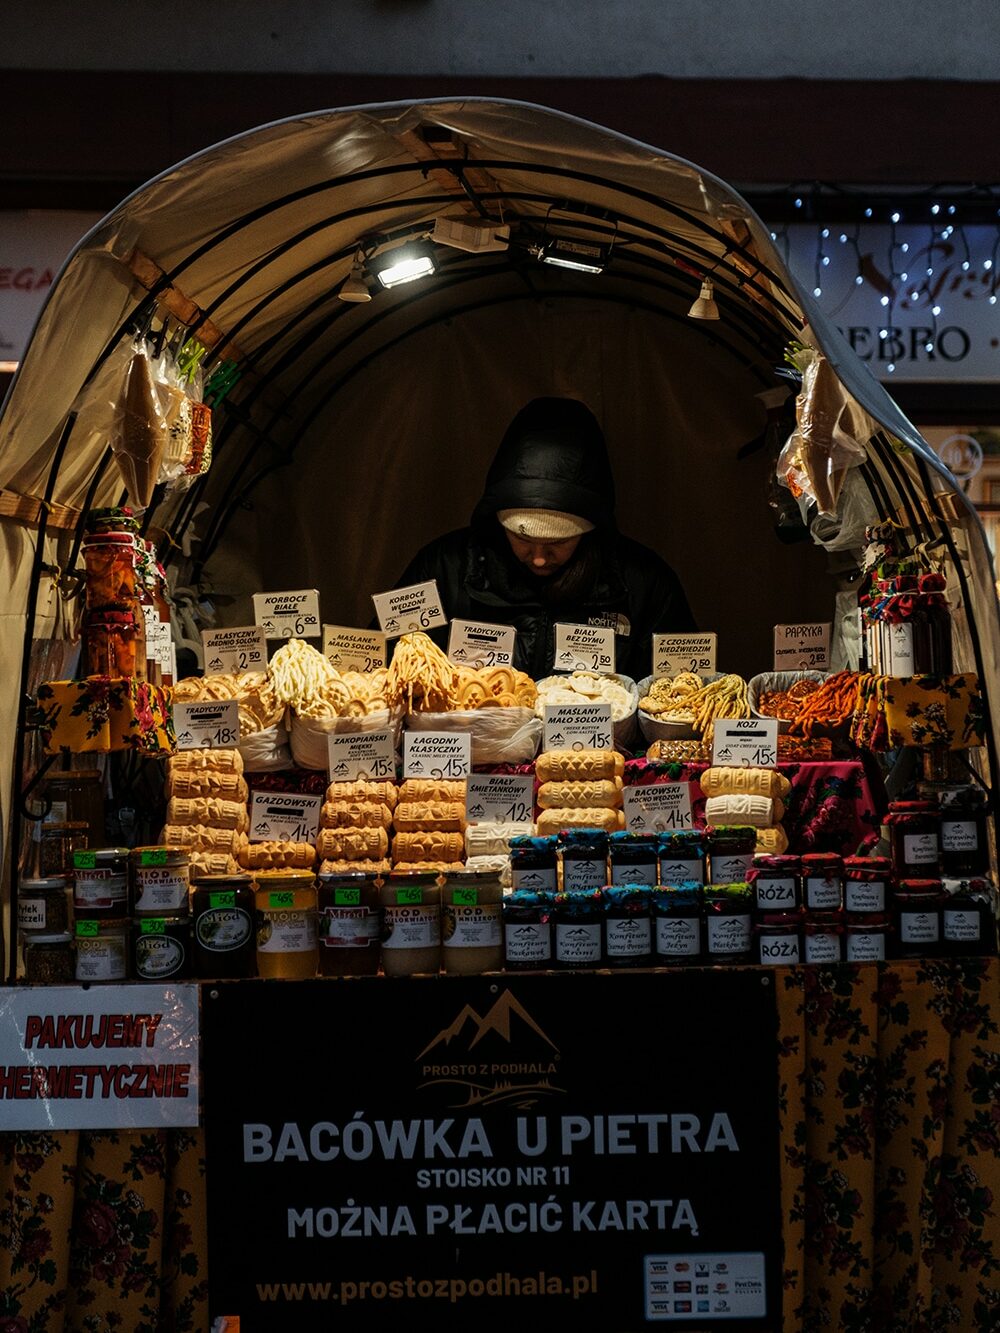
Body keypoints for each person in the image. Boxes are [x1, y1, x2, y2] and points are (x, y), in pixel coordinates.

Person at [394, 397, 695, 679]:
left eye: (559, 543)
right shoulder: (442, 568)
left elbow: (683, 694)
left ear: (590, 532)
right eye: (521, 537)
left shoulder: (644, 583)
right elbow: (382, 667)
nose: (538, 557)